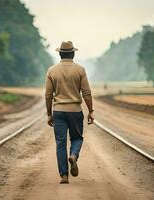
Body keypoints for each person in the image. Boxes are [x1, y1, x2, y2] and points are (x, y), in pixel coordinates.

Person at [45, 41, 94, 184]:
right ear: (73, 54)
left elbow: (48, 95)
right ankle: (73, 155)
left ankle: (64, 176)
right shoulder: (80, 70)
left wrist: (49, 114)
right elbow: (86, 93)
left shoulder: (52, 71)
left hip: (59, 111)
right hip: (75, 111)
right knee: (77, 138)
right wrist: (91, 110)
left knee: (60, 143)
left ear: (60, 54)